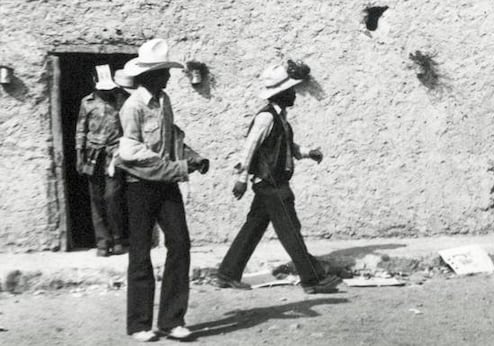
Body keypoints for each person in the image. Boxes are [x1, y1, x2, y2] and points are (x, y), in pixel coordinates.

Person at [213, 61, 341, 294]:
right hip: (272, 185)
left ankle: (227, 273)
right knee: (291, 230)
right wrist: (241, 178)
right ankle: (312, 280)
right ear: (281, 93)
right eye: (291, 90)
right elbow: (250, 147)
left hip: (267, 185)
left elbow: (285, 146)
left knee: (253, 227)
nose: (295, 94)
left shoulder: (280, 118)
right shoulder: (266, 118)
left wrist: (307, 153)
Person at [116, 39, 209, 342]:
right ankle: (140, 324)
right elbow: (130, 151)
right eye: (163, 72)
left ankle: (171, 320)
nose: (168, 76)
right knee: (141, 253)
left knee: (180, 244)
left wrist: (192, 156)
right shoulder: (133, 107)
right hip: (140, 186)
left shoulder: (164, 100)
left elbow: (173, 136)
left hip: (166, 185)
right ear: (149, 76)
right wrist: (177, 168)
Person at [76, 65, 129, 257]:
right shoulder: (87, 103)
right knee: (96, 199)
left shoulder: (120, 100)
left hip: (114, 154)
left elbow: (128, 126)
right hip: (92, 155)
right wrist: (79, 155)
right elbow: (81, 130)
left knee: (112, 197)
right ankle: (102, 242)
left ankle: (117, 239)